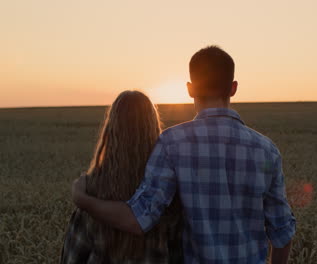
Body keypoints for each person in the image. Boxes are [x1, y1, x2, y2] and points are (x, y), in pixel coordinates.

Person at [71, 46, 296, 264]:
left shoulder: (172, 143)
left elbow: (139, 220)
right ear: (233, 88)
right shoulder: (267, 150)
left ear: (190, 89)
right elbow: (282, 232)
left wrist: (85, 201)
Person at [61, 91, 183, 264]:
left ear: (111, 129)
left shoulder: (90, 189)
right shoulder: (165, 188)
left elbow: (72, 257)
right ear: (153, 127)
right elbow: (179, 254)